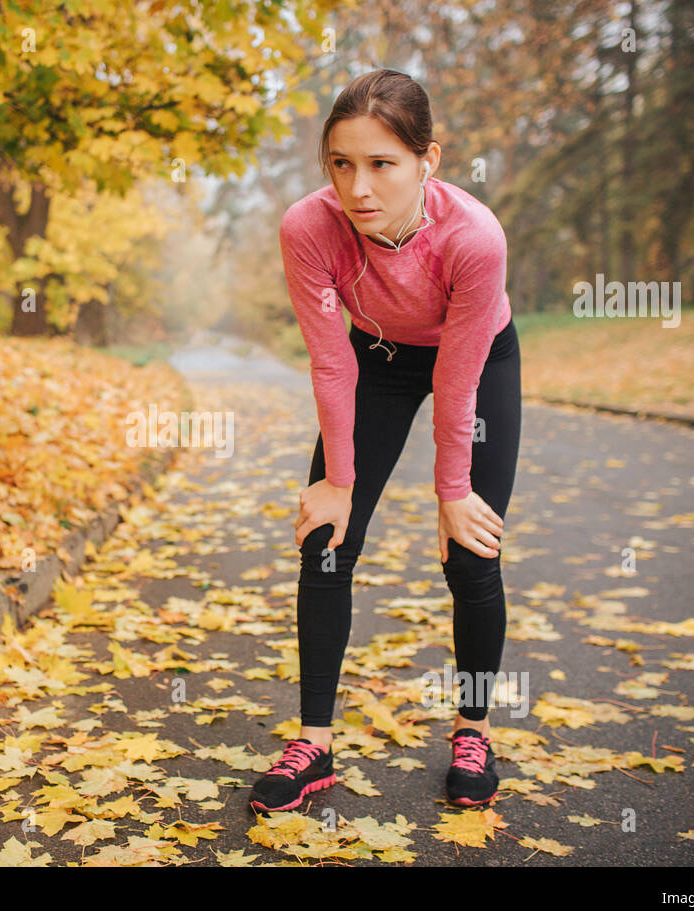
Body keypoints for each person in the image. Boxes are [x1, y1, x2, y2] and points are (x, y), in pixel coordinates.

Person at [250, 69, 521, 814]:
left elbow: (460, 378)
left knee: (473, 545)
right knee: (326, 539)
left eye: (382, 164)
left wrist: (451, 491)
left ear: (427, 159)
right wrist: (338, 480)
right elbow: (331, 358)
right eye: (342, 164)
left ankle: (473, 731)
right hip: (378, 358)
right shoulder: (308, 227)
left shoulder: (474, 236)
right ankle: (314, 745)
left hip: (477, 355)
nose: (358, 188)